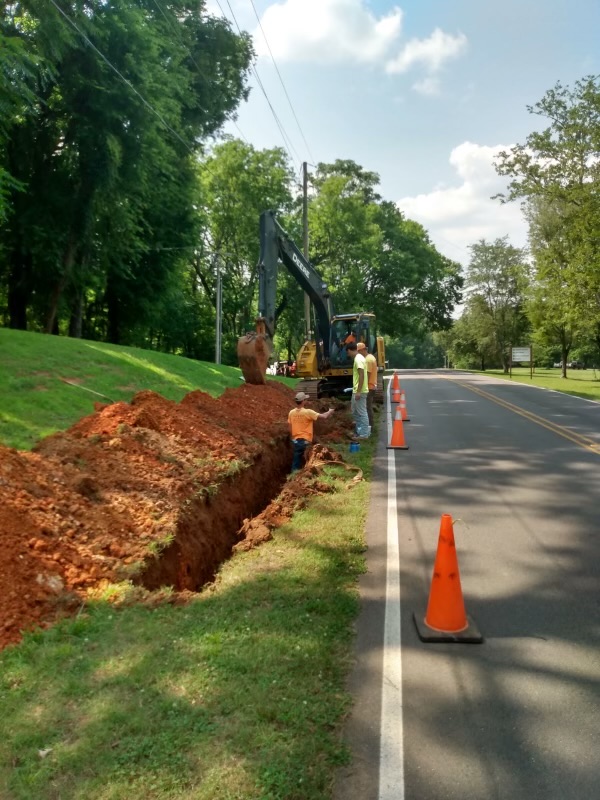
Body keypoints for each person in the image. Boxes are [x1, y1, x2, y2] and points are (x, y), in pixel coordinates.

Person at [288, 391, 334, 472]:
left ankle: (296, 473)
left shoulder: (291, 412)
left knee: (297, 457)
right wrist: (330, 411)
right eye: (305, 399)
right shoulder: (308, 412)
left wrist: (293, 438)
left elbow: (289, 425)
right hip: (305, 440)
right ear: (303, 401)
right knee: (303, 458)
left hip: (296, 440)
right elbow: (324, 416)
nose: (306, 400)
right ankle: (300, 474)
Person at [347, 342, 370, 438]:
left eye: (347, 353)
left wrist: (359, 391)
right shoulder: (358, 358)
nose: (348, 355)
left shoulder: (358, 359)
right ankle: (359, 431)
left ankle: (364, 434)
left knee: (361, 412)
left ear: (349, 350)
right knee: (354, 411)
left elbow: (362, 375)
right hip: (357, 390)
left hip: (360, 391)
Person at [358, 342, 377, 428]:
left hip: (369, 387)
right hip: (370, 386)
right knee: (366, 407)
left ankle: (369, 426)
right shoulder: (370, 358)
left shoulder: (368, 360)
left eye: (358, 352)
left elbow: (367, 376)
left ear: (362, 350)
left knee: (366, 408)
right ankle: (369, 426)